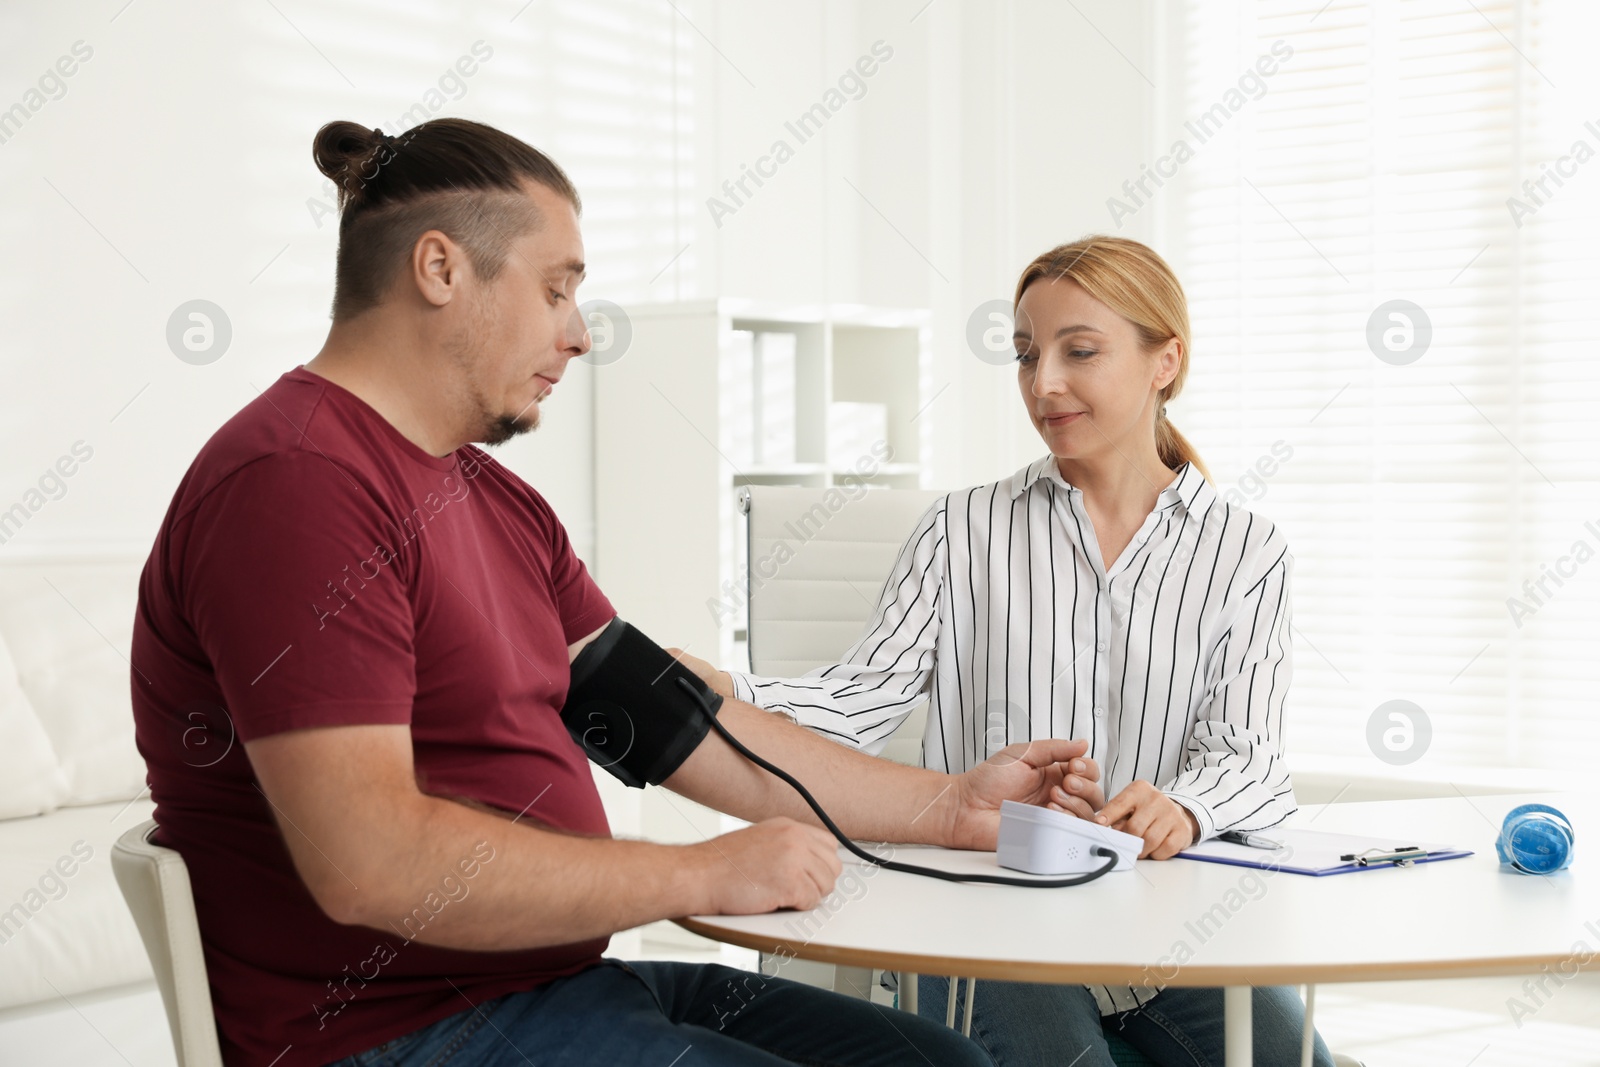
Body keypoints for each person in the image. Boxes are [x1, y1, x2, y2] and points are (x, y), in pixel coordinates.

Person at [127, 118, 1101, 1067]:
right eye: (556, 291)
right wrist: (700, 870)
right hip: (393, 1032)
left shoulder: (497, 503)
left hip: (555, 990)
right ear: (439, 269)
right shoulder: (298, 483)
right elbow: (371, 861)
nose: (580, 334)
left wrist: (950, 805)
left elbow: (676, 727)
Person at [675, 237, 1336, 1066]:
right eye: (1026, 355)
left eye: (1079, 351)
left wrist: (1184, 807)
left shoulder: (1246, 549)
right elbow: (857, 699)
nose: (1043, 382)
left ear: (1166, 359)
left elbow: (1247, 759)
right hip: (992, 915)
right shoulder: (964, 530)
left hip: (1164, 930)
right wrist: (723, 688)